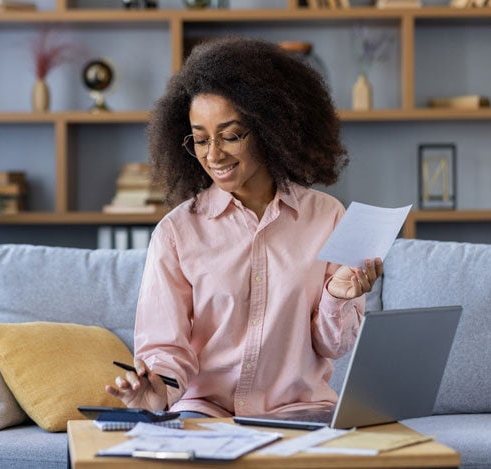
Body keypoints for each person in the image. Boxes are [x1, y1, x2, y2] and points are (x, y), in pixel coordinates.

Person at [105, 36, 383, 418]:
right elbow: (166, 349)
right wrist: (155, 390)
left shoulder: (328, 217)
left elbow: (334, 346)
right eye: (200, 140)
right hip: (207, 412)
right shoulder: (176, 233)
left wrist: (338, 294)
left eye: (231, 135)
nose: (214, 154)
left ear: (271, 128)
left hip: (300, 410)